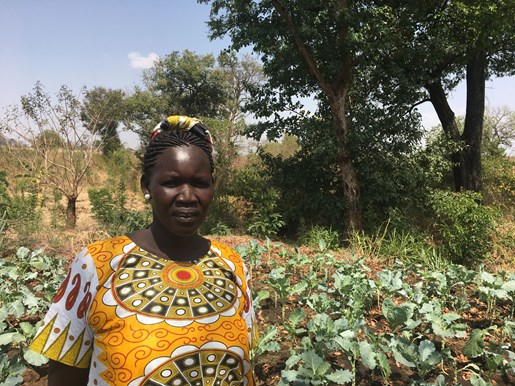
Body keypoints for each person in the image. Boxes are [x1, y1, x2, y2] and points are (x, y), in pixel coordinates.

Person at [30, 116, 257, 386]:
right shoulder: (97, 264)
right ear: (146, 186)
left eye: (199, 183)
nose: (187, 196)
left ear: (212, 188)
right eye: (172, 183)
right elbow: (64, 376)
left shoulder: (231, 264)